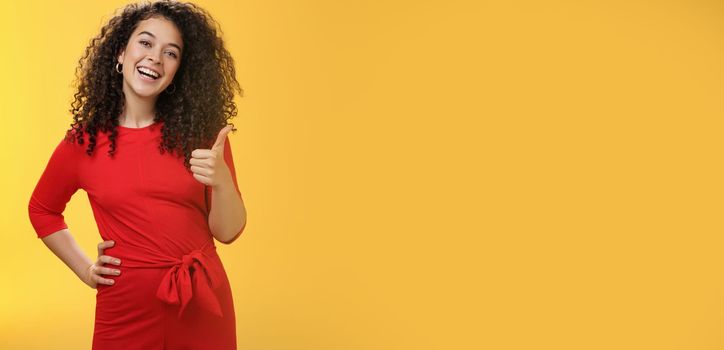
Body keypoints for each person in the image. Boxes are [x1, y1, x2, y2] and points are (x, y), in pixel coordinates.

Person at [27, 1, 247, 349]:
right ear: (120, 53)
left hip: (202, 300)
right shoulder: (82, 143)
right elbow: (42, 209)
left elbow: (228, 231)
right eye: (145, 43)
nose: (155, 58)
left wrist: (221, 181)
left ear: (178, 70)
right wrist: (85, 269)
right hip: (124, 307)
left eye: (170, 52)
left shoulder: (202, 135)